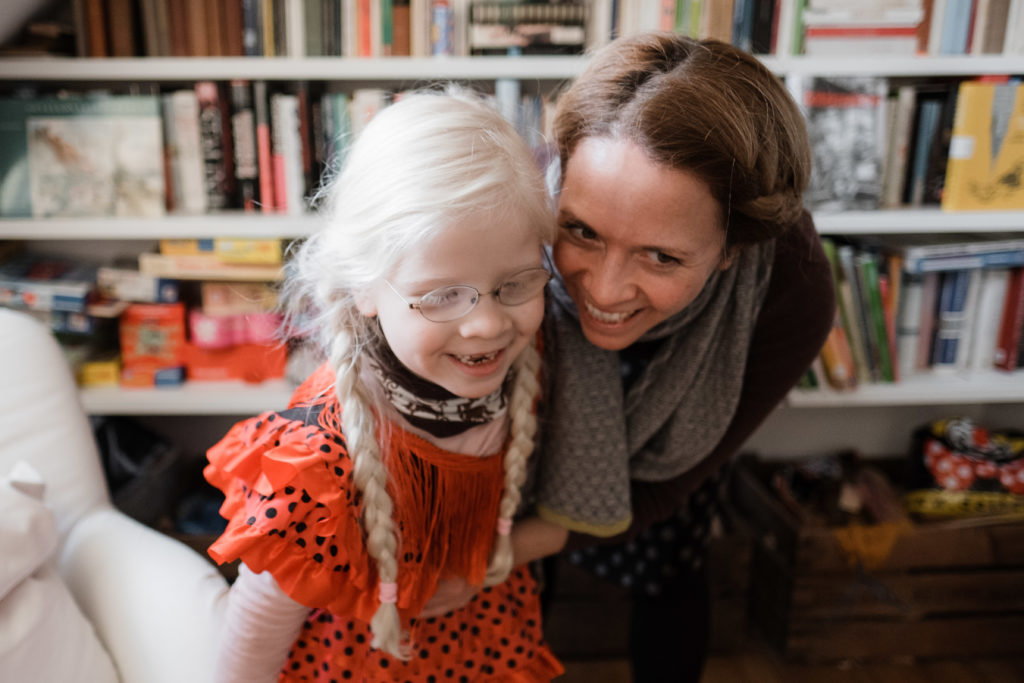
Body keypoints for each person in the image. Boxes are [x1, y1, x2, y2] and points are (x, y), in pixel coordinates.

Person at [202, 91, 564, 683]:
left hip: (482, 648)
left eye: (516, 284)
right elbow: (258, 624)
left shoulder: (530, 365)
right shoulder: (316, 459)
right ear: (365, 288)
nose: (486, 325)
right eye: (442, 295)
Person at [531, 32, 836, 681]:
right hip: (543, 376)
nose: (604, 291)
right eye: (582, 230)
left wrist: (506, 551)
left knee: (670, 568)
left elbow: (668, 487)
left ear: (733, 249)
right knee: (529, 561)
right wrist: (506, 551)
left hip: (686, 402)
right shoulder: (514, 205)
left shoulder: (791, 288)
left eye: (661, 256)